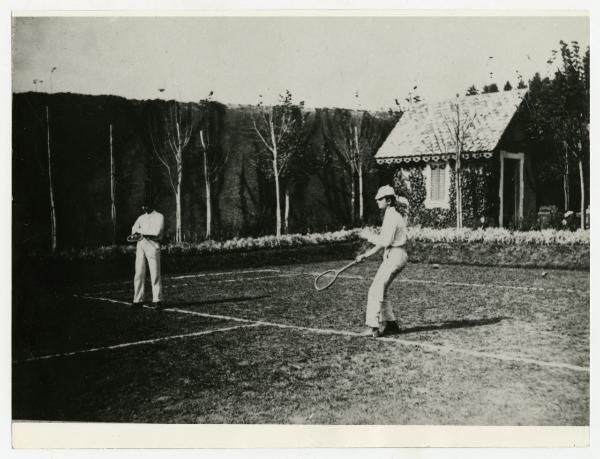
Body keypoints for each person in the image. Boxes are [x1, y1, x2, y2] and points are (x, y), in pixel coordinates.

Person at [355, 185, 409, 337]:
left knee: (375, 290)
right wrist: (365, 255)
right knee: (381, 291)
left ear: (389, 201)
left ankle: (372, 327)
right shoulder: (390, 215)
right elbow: (383, 243)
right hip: (394, 255)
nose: (377, 201)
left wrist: (368, 236)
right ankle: (391, 324)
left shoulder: (392, 217)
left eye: (380, 199)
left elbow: (385, 241)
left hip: (396, 256)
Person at [129, 198, 165, 310]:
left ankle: (157, 300)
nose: (144, 208)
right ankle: (137, 300)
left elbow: (157, 232)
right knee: (139, 273)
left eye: (146, 205)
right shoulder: (141, 218)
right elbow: (134, 231)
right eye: (142, 206)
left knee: (155, 274)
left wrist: (141, 233)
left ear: (151, 205)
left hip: (153, 246)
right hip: (141, 246)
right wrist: (137, 234)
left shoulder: (160, 216)